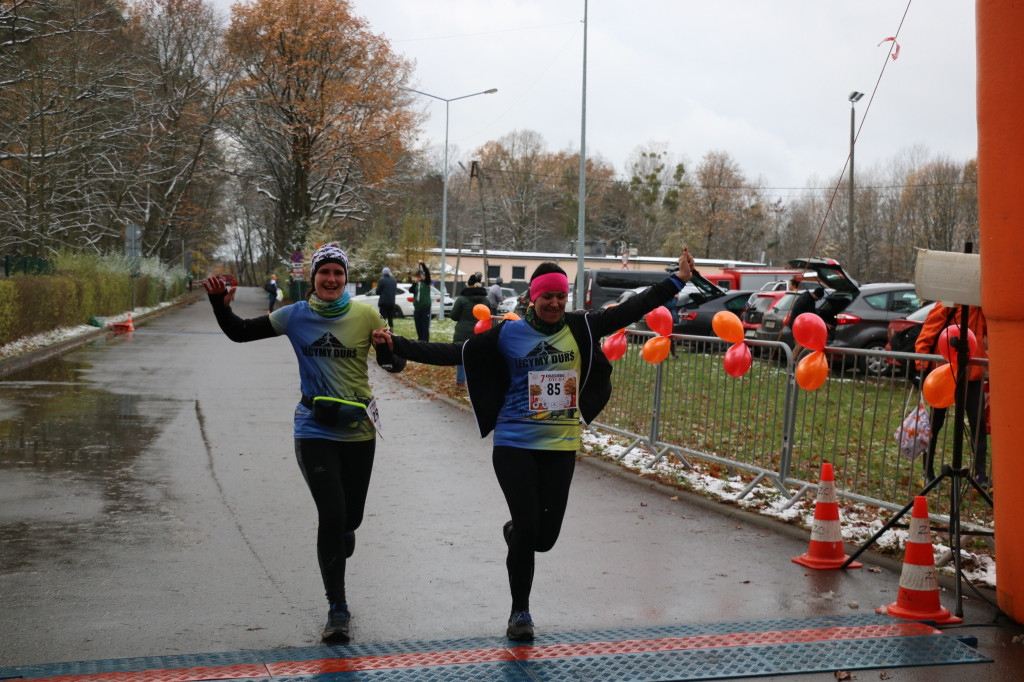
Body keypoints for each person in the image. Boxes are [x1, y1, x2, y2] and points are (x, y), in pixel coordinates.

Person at [373, 249, 695, 642]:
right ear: (532, 298)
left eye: (561, 296)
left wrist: (677, 281)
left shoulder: (582, 327)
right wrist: (397, 344)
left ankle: (517, 534)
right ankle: (519, 612)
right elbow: (454, 353)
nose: (555, 303)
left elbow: (632, 309)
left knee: (544, 537)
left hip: (560, 445)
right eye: (548, 297)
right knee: (529, 525)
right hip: (515, 442)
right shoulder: (507, 334)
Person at [202, 243, 402, 644]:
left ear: (346, 278)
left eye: (338, 273)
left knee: (349, 521)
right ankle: (337, 609)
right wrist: (219, 305)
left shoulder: (365, 313)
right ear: (312, 277)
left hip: (359, 429)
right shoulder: (295, 315)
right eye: (324, 272)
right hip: (314, 427)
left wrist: (387, 350)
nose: (330, 279)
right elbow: (241, 333)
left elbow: (393, 365)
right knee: (331, 515)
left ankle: (344, 532)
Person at [914, 302, 989, 487]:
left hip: (973, 373)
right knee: (935, 423)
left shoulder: (984, 308)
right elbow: (927, 333)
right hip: (945, 373)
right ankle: (927, 471)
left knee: (977, 423)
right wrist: (921, 366)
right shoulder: (948, 303)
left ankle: (980, 474)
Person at [449, 272, 492, 389]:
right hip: (481, 332)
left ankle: (461, 382)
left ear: (468, 285)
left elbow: (453, 316)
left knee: (461, 356)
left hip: (463, 332)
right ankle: (478, 382)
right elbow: (490, 315)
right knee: (478, 357)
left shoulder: (462, 299)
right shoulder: (485, 300)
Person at [410, 260, 433, 342]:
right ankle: (420, 340)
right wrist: (415, 283)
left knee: (425, 326)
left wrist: (423, 264)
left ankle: (425, 341)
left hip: (425, 307)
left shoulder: (426, 283)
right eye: (418, 276)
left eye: (421, 275)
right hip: (417, 308)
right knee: (418, 326)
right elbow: (411, 290)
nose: (420, 277)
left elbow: (427, 273)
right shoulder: (416, 284)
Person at [377, 266, 398, 331]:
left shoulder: (381, 281)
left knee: (383, 319)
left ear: (383, 273)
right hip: (391, 302)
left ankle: (383, 331)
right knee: (390, 318)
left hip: (383, 302)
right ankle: (391, 331)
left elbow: (378, 292)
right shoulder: (394, 281)